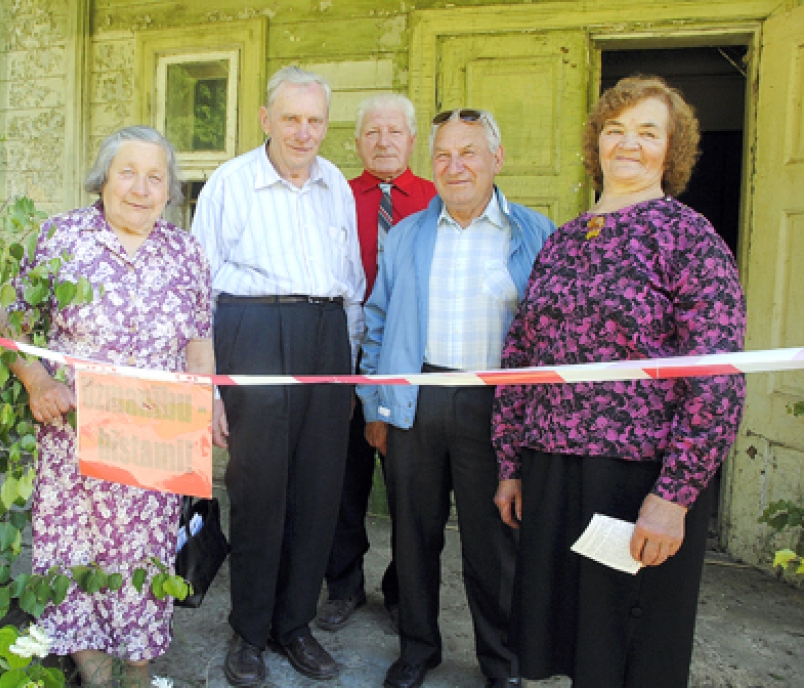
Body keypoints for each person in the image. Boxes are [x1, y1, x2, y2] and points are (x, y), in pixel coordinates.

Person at [492, 75, 747, 688]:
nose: (628, 145)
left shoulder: (689, 237)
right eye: (615, 131)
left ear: (672, 149)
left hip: (637, 478)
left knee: (630, 648)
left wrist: (676, 494)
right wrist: (510, 463)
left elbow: (717, 379)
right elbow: (522, 356)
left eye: (647, 132)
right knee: (573, 643)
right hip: (554, 469)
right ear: (596, 143)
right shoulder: (561, 241)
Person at [1, 126, 214, 688]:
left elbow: (198, 339)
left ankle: (138, 668)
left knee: (145, 557)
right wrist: (36, 381)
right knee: (75, 551)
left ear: (169, 190)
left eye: (155, 176)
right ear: (103, 179)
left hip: (156, 437)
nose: (141, 188)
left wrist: (208, 399)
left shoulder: (186, 252)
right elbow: (13, 321)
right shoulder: (60, 238)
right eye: (128, 172)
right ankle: (92, 669)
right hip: (75, 433)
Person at [357, 108, 554, 688]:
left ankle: (501, 662)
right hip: (417, 398)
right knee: (413, 536)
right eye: (443, 154)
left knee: (494, 544)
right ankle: (418, 648)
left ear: (497, 160)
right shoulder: (411, 232)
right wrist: (376, 405)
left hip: (495, 408)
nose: (455, 164)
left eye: (469, 152)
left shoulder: (536, 233)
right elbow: (377, 318)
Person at [191, 65, 365, 686]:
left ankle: (295, 625)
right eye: (291, 118)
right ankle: (249, 630)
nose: (303, 131)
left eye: (314, 120)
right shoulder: (230, 183)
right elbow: (197, 293)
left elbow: (351, 285)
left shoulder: (336, 183)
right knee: (259, 489)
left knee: (319, 491)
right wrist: (208, 386)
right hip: (254, 334)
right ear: (266, 119)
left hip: (325, 340)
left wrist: (348, 363)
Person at [318, 93, 436, 632]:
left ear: (413, 140)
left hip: (408, 362)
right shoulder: (335, 198)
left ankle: (400, 588)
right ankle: (343, 586)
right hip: (341, 355)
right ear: (357, 141)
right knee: (343, 482)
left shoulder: (438, 200)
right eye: (372, 133)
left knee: (411, 488)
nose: (384, 141)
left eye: (394, 132)